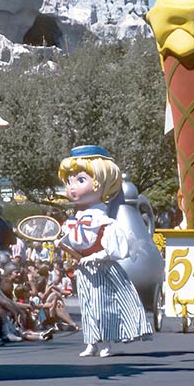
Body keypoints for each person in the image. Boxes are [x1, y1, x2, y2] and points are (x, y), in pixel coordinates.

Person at [55, 146, 151, 358]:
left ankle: (106, 341)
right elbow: (75, 241)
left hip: (103, 269)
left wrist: (97, 256)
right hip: (85, 270)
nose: (72, 188)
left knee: (104, 306)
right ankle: (91, 342)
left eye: (80, 180)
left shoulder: (104, 220)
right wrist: (62, 242)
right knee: (87, 307)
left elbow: (115, 248)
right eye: (69, 181)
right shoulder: (75, 219)